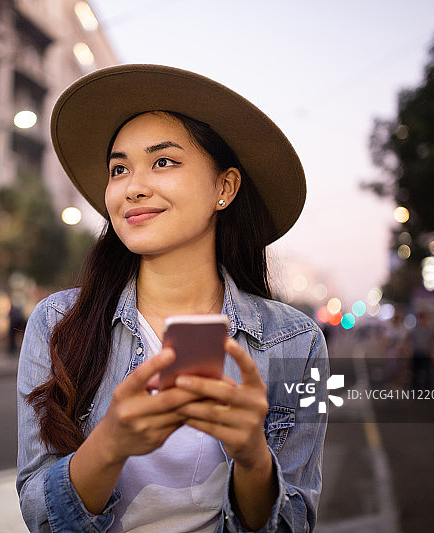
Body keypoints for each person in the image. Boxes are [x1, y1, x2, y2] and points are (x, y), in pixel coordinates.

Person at [16, 65, 328, 532]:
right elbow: (39, 513)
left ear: (224, 187)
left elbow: (295, 522)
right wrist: (111, 442)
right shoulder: (55, 321)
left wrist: (252, 458)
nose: (133, 187)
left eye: (163, 162)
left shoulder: (299, 343)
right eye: (119, 169)